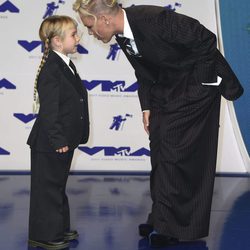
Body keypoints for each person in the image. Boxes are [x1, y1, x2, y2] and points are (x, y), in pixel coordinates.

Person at [73, 0, 244, 248]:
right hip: (167, 90)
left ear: (104, 20)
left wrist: (204, 83)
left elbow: (205, 38)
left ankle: (173, 228)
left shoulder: (153, 19)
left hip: (195, 87)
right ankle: (161, 218)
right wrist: (146, 107)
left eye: (90, 26)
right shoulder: (122, 35)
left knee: (175, 155)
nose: (90, 33)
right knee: (161, 152)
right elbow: (143, 72)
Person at [27, 15, 89, 250]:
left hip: (61, 140)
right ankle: (43, 235)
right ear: (56, 41)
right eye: (74, 34)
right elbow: (49, 111)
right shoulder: (52, 70)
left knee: (56, 186)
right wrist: (58, 139)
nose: (78, 37)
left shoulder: (65, 63)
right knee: (48, 189)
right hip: (51, 142)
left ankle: (58, 228)